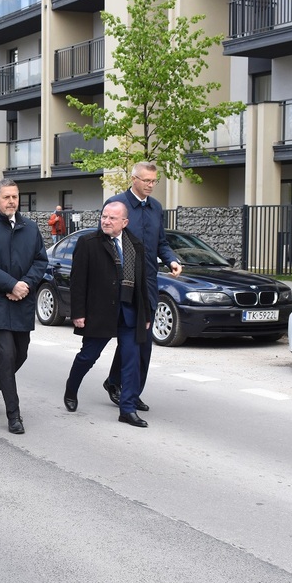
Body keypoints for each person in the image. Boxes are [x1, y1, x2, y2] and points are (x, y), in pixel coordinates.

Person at [63, 201, 152, 427]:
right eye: (104, 216)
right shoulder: (88, 243)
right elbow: (77, 281)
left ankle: (127, 409)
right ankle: (71, 390)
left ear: (124, 222)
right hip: (100, 311)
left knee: (131, 361)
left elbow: (142, 283)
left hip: (130, 311)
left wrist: (147, 314)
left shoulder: (135, 245)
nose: (106, 221)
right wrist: (78, 313)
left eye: (112, 218)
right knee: (88, 356)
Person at [0, 178, 48, 435]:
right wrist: (10, 285)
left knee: (21, 354)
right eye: (6, 197)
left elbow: (40, 260)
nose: (12, 201)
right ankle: (13, 415)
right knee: (6, 355)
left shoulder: (30, 227)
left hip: (22, 299)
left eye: (15, 197)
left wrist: (24, 284)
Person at [102, 162, 182, 411]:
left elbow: (161, 242)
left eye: (154, 181)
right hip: (123, 283)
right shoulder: (116, 205)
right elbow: (103, 243)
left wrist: (171, 259)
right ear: (133, 179)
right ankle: (119, 384)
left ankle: (129, 390)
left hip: (148, 283)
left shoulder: (156, 208)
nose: (150, 185)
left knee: (143, 342)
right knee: (129, 340)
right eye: (146, 181)